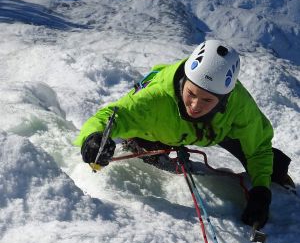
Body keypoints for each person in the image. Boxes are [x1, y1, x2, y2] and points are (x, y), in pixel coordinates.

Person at [74, 39, 293, 228]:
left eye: (207, 100)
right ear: (183, 82)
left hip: (215, 130)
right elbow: (111, 116)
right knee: (148, 149)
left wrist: (261, 192)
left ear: (225, 99)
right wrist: (93, 138)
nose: (195, 105)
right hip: (162, 128)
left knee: (275, 166)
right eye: (191, 93)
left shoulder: (239, 105)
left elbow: (259, 147)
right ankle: (141, 143)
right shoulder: (155, 98)